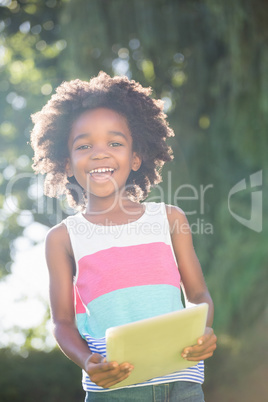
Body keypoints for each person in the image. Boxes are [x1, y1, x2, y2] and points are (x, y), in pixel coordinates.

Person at [31, 71, 217, 401]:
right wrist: (88, 361)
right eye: (84, 145)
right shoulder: (63, 239)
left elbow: (199, 295)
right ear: (68, 164)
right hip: (115, 390)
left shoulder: (170, 219)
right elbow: (62, 322)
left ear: (135, 158)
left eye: (114, 143)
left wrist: (203, 329)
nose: (100, 153)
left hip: (183, 385)